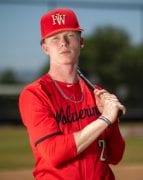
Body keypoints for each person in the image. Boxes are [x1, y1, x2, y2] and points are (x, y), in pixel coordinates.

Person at [19, 8, 126, 180]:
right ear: (45, 48)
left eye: (70, 35)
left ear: (81, 41)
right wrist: (104, 119)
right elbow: (54, 153)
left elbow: (116, 156)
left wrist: (112, 122)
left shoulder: (96, 92)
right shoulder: (35, 94)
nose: (63, 42)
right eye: (55, 38)